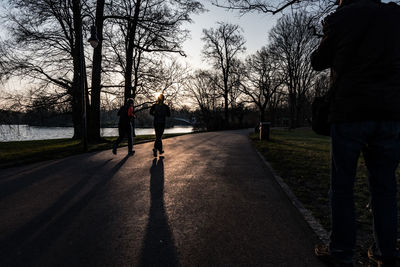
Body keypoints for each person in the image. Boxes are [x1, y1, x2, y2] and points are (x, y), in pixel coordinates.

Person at [311, 0, 400, 266]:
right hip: (390, 114)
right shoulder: (395, 15)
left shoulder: (342, 17)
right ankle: (387, 254)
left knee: (342, 187)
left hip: (350, 112)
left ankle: (340, 252)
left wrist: (329, 30)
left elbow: (318, 61)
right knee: (385, 188)